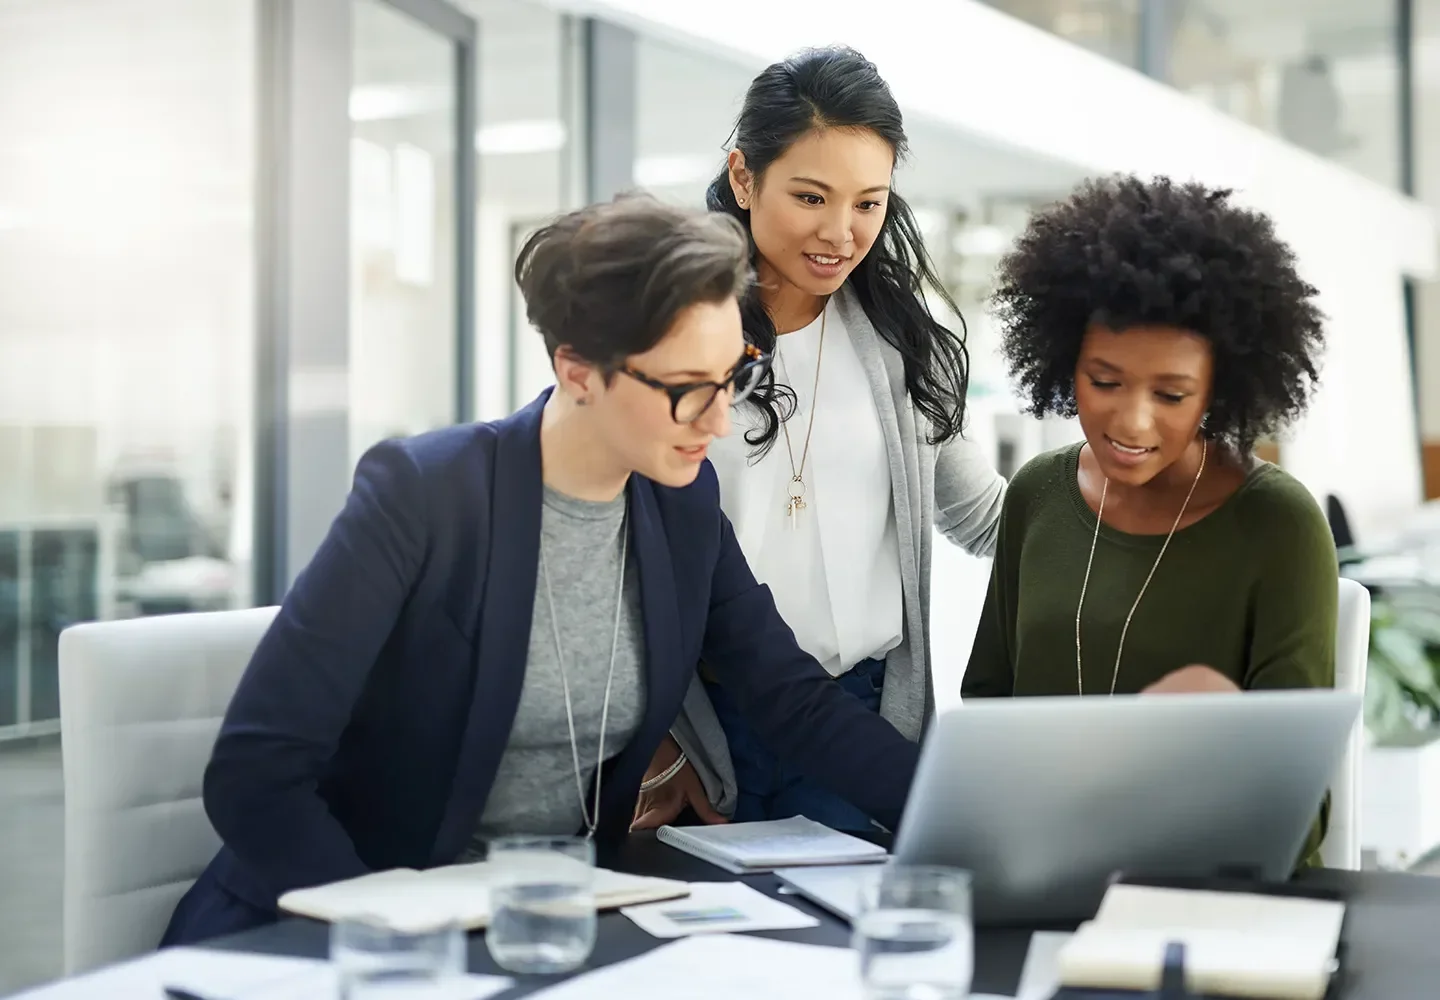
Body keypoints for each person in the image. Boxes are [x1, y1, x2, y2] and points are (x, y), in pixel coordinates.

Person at [160, 195, 921, 946]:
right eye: (689, 390)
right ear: (579, 369)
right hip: (345, 934)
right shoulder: (425, 495)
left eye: (733, 379)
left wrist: (952, 807)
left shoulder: (678, 508)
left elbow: (791, 699)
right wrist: (396, 937)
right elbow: (255, 775)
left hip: (543, 928)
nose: (719, 421)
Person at [631, 46, 1005, 834]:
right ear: (743, 177)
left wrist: (1139, 499)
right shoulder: (669, 335)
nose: (841, 232)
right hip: (703, 727)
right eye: (811, 196)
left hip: (862, 719)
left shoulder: (904, 343)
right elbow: (613, 548)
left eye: (869, 203)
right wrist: (659, 740)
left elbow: (984, 516)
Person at [960, 175, 1336, 864]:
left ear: (1218, 392)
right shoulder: (1037, 494)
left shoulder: (1279, 526)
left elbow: (1298, 810)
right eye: (1104, 381)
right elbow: (987, 710)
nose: (1131, 422)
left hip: (1207, 891)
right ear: (1063, 361)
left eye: (1171, 393)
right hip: (1040, 869)